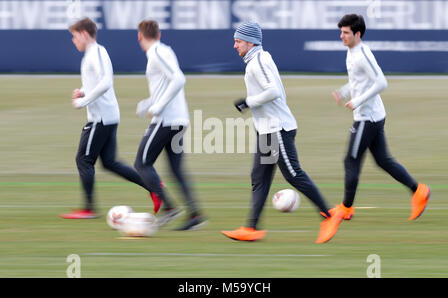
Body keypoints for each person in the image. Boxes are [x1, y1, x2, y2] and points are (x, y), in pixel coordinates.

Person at [221, 22, 344, 243]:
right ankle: (251, 228)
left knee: (293, 174)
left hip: (277, 128)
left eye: (238, 41)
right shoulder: (258, 58)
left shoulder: (257, 62)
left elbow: (273, 92)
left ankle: (329, 214)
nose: (234, 45)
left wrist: (247, 102)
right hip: (266, 130)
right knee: (259, 177)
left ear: (250, 42)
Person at [331, 14, 430, 221]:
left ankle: (346, 208)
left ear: (357, 34)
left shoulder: (362, 54)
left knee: (351, 160)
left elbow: (381, 82)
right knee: (383, 160)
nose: (341, 36)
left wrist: (357, 101)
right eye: (341, 32)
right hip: (373, 115)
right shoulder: (352, 52)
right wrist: (344, 91)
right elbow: (360, 81)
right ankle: (419, 190)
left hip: (367, 117)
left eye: (346, 33)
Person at [60, 17, 157, 219]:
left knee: (83, 160)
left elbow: (105, 82)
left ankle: (89, 209)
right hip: (108, 116)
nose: (73, 40)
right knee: (110, 162)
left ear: (85, 34)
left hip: (100, 118)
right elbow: (96, 82)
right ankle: (154, 186)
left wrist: (83, 102)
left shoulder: (95, 52)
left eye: (74, 36)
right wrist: (83, 91)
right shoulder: (94, 53)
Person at [134, 19, 206, 230]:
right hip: (178, 118)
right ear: (159, 34)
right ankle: (195, 214)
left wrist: (157, 107)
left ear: (140, 36)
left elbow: (178, 79)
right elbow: (166, 85)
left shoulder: (156, 53)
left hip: (167, 120)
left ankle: (169, 207)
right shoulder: (165, 50)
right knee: (176, 169)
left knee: (141, 163)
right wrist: (148, 103)